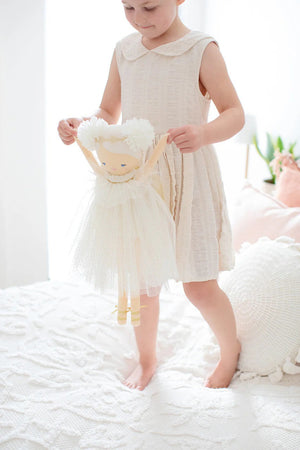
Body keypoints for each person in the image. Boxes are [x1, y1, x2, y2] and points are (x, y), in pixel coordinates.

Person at [57, 0, 245, 391]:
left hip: (187, 174)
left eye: (149, 7)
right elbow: (109, 110)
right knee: (142, 283)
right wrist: (82, 124)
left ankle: (230, 353)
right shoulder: (125, 50)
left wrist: (204, 133)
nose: (140, 19)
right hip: (138, 179)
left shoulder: (200, 49)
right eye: (128, 8)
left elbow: (233, 113)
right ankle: (147, 360)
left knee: (199, 284)